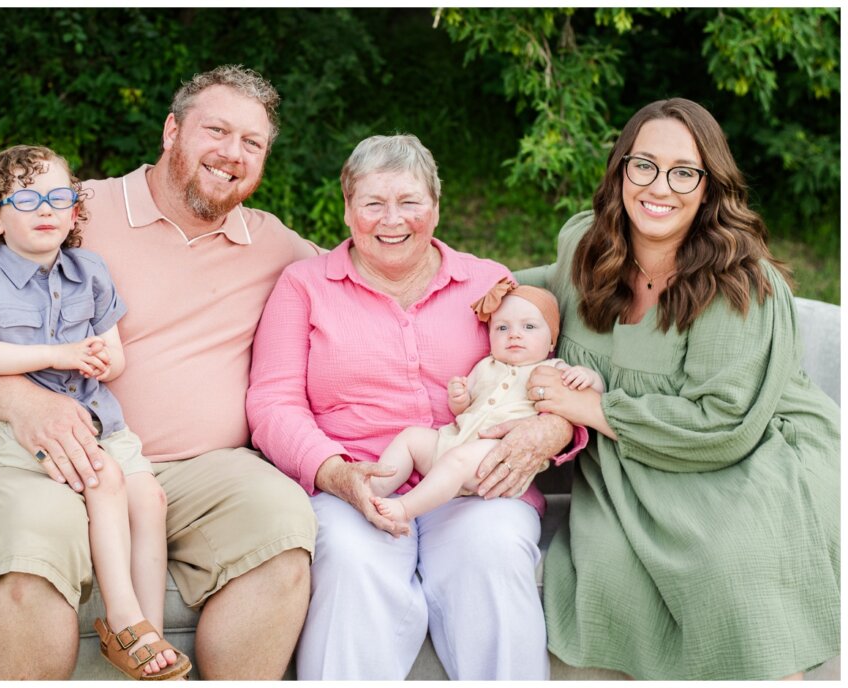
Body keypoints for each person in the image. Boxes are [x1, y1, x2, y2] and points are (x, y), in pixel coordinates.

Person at [0, 65, 320, 680]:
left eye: (252, 142)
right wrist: (28, 407)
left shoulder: (276, 247)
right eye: (216, 130)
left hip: (204, 472)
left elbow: (381, 270)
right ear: (171, 131)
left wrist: (516, 299)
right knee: (26, 564)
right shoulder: (72, 210)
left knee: (281, 526)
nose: (232, 153)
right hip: (59, 460)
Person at [518, 98, 839, 680]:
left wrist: (584, 404)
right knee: (609, 566)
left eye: (683, 172)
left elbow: (723, 423)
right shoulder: (588, 246)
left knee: (730, 563)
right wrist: (477, 289)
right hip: (634, 459)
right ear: (620, 171)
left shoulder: (739, 282)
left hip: (749, 449)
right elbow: (543, 290)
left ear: (709, 186)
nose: (658, 187)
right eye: (643, 165)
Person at [245, 134, 587, 680]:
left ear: (436, 206)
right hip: (356, 480)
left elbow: (545, 374)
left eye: (409, 202)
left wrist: (548, 431)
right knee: (353, 564)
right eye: (373, 204)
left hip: (480, 481)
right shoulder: (305, 285)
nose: (391, 220)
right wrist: (333, 473)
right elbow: (272, 401)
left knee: (493, 553)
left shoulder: (487, 282)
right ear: (347, 210)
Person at [0, 144, 191, 680]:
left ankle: (146, 631)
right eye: (26, 199)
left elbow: (113, 349)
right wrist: (56, 355)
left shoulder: (91, 271)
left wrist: (104, 360)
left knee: (148, 496)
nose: (46, 209)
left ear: (76, 211)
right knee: (104, 479)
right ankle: (122, 619)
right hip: (20, 429)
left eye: (59, 197)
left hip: (97, 416)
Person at [370, 281, 603, 529]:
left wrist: (590, 378)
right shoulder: (485, 366)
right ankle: (373, 488)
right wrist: (459, 398)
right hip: (452, 442)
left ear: (550, 342)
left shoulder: (554, 370)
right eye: (502, 327)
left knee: (457, 461)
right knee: (412, 438)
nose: (514, 334)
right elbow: (462, 410)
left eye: (529, 327)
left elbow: (589, 395)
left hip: (498, 459)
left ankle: (405, 508)